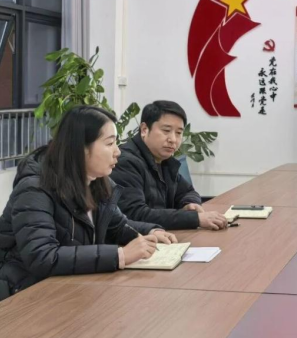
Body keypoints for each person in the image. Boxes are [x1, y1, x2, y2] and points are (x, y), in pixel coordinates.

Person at [0, 106, 177, 300]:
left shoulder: (96, 182)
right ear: (81, 149)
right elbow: (42, 257)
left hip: (71, 289)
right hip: (23, 295)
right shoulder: (34, 189)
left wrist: (150, 232)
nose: (117, 152)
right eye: (110, 143)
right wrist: (120, 255)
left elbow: (118, 226)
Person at [112, 101, 227, 230]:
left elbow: (188, 192)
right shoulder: (125, 162)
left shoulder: (164, 160)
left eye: (178, 133)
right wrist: (195, 219)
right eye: (166, 131)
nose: (173, 139)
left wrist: (189, 203)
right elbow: (135, 214)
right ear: (144, 129)